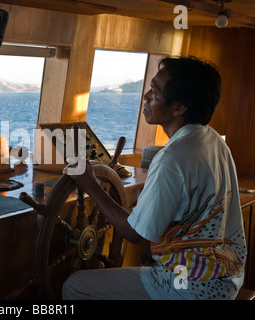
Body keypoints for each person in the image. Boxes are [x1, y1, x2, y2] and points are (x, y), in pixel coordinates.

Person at [62, 56, 247, 300]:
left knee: (74, 286)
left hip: (188, 286)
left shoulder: (172, 158)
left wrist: (90, 185)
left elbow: (133, 233)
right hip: (226, 277)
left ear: (180, 107)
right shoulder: (212, 140)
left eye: (155, 92)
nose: (146, 97)